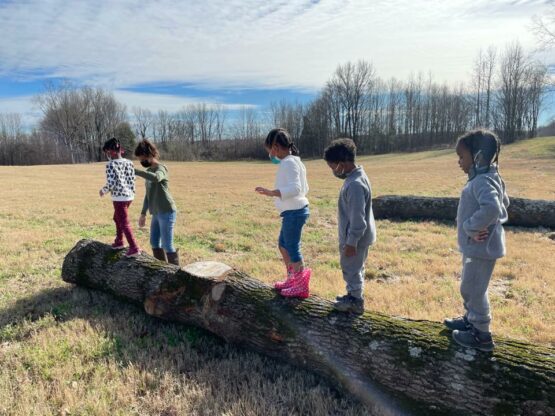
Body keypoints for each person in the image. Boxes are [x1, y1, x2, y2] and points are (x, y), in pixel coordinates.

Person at [445, 129, 509, 352]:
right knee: (471, 286)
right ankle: (471, 319)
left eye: (462, 157)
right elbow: (505, 202)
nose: (459, 162)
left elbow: (493, 207)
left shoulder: (482, 181)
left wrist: (471, 226)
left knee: (473, 289)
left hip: (480, 248)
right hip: (476, 248)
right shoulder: (490, 177)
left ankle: (481, 334)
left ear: (478, 157)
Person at [255, 128, 311, 298]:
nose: (270, 155)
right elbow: (305, 188)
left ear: (276, 147)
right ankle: (292, 279)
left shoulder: (288, 163)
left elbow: (297, 189)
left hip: (294, 212)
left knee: (292, 247)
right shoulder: (294, 161)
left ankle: (301, 285)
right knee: (283, 245)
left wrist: (272, 192)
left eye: (270, 150)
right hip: (292, 212)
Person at [323, 138, 376, 314]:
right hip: (358, 237)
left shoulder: (354, 184)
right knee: (356, 267)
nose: (333, 171)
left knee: (351, 267)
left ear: (343, 163)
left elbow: (358, 218)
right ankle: (352, 294)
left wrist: (351, 242)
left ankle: (355, 300)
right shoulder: (357, 176)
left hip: (356, 239)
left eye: (333, 167)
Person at [134, 139, 179, 265]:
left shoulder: (161, 168)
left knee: (167, 245)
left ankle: (175, 274)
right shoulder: (148, 171)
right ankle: (162, 270)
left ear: (150, 155)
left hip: (167, 212)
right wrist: (143, 213)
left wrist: (136, 171)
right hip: (156, 213)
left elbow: (156, 178)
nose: (141, 162)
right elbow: (148, 196)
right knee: (154, 242)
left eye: (142, 159)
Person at [99, 137, 141, 257]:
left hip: (119, 198)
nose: (107, 155)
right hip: (129, 196)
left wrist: (103, 190)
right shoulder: (129, 163)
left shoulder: (111, 165)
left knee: (124, 222)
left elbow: (112, 183)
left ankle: (134, 247)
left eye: (107, 152)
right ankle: (119, 241)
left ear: (110, 152)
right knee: (117, 218)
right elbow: (133, 179)